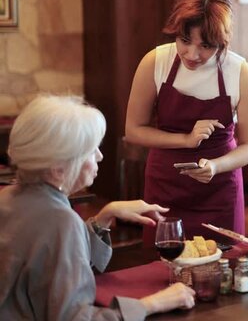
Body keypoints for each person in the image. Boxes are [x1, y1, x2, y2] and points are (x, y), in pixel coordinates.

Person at [0, 95, 195, 320]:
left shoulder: (9, 197)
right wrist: (153, 303)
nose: (100, 157)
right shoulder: (61, 221)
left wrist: (105, 216)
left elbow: (53, 263)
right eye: (92, 151)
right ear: (58, 169)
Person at [125, 0, 248, 244]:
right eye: (184, 41)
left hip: (219, 191)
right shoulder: (155, 62)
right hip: (164, 186)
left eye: (206, 46)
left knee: (224, 272)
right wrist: (186, 140)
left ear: (221, 42)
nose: (192, 54)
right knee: (160, 272)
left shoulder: (241, 73)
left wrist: (215, 166)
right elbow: (134, 129)